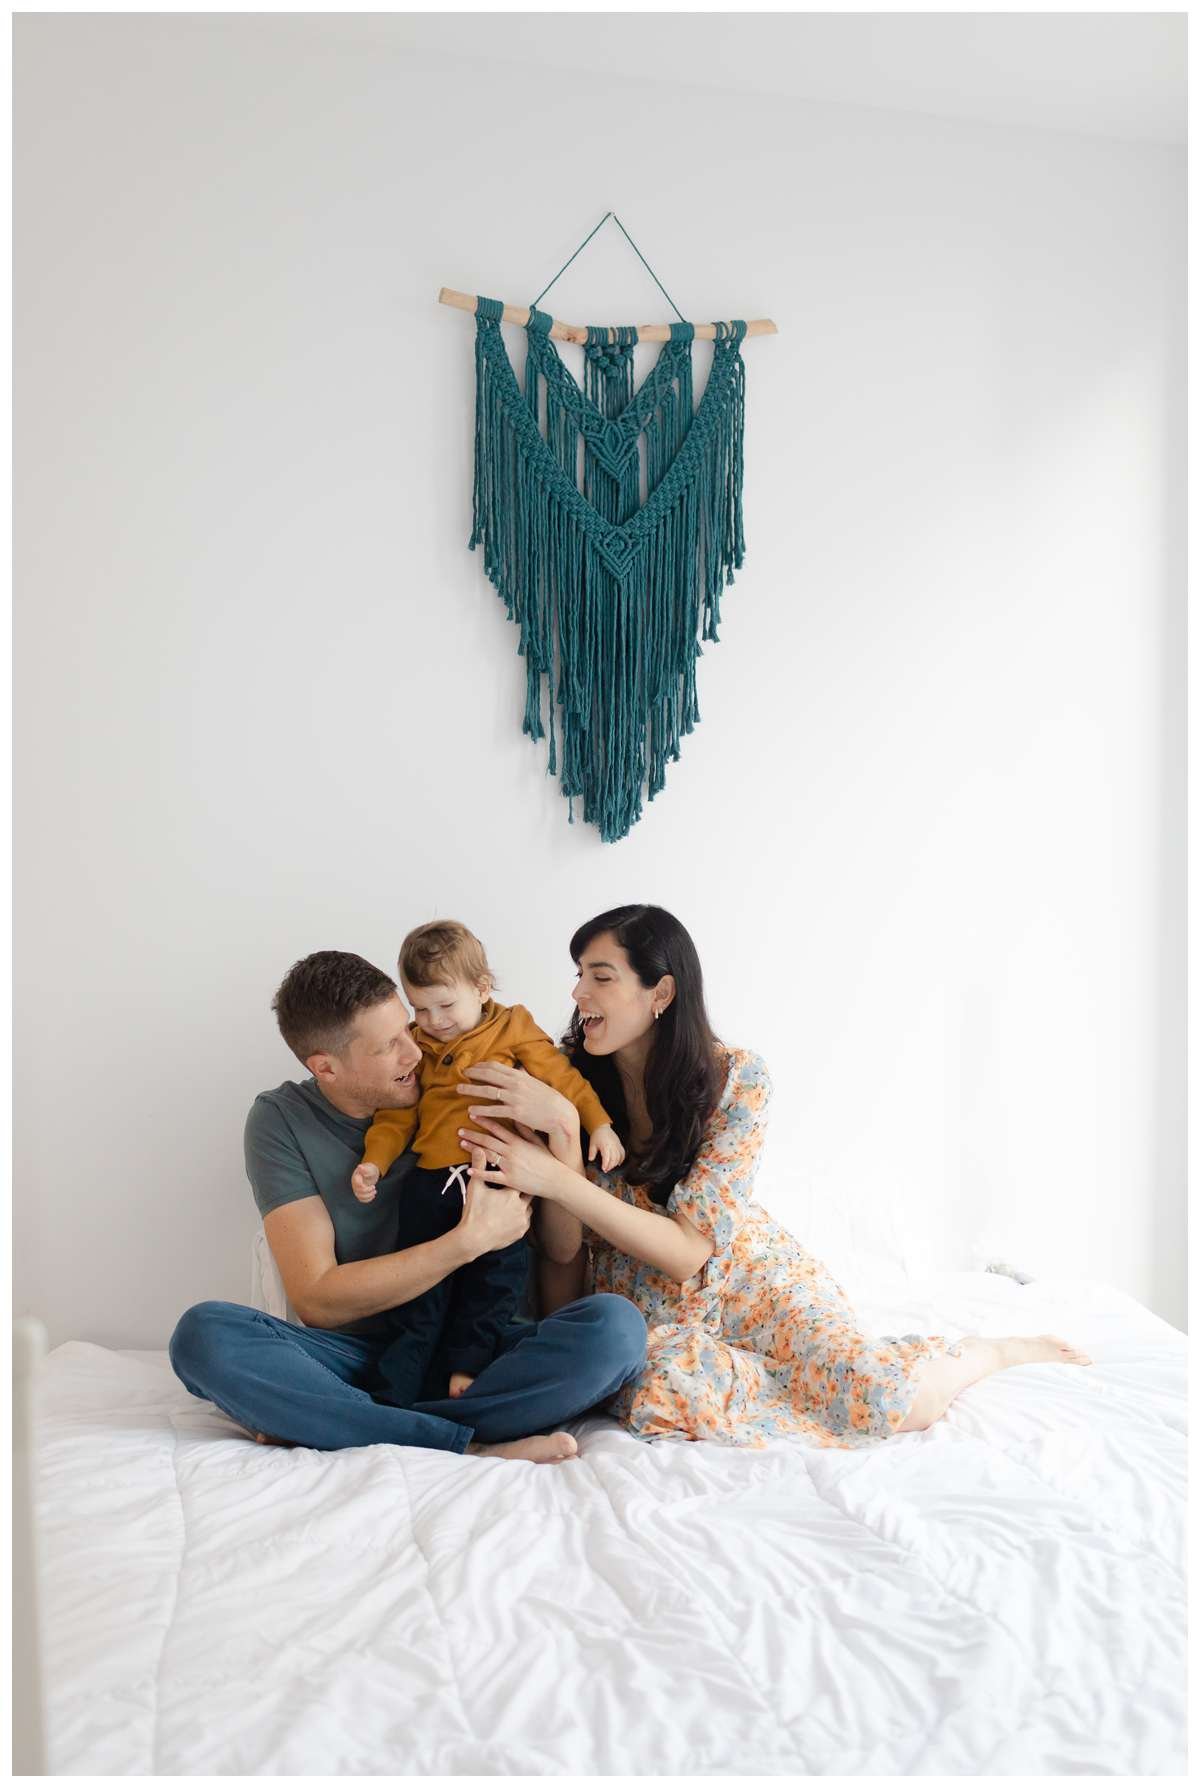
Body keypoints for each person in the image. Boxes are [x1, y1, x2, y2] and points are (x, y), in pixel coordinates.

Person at [456, 904, 1092, 1449]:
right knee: (664, 1391)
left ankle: (990, 1351)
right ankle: (797, 1380)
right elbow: (562, 1258)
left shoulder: (736, 1081)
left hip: (748, 1281)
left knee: (890, 1399)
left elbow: (690, 1255)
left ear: (662, 993)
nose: (576, 995)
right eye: (577, 977)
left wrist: (558, 1178)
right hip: (647, 1313)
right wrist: (565, 1138)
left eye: (600, 977)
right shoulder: (562, 1083)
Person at [168, 950, 646, 1464]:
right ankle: (471, 1442)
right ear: (325, 1067)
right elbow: (319, 1300)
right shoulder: (280, 1119)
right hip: (362, 1355)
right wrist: (467, 1242)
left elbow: (560, 1248)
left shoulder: (480, 1077)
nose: (417, 1050)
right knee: (203, 1336)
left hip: (480, 1349)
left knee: (616, 1329)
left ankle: (343, 1422)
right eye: (390, 1045)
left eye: (408, 1027)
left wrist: (566, 1130)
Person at [348, 919, 624, 1406]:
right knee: (423, 1295)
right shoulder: (420, 1043)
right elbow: (397, 1115)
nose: (433, 1020)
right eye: (420, 1008)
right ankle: (396, 1393)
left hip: (497, 1180)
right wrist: (375, 1162)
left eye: (445, 1005)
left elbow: (563, 1082)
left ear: (481, 987)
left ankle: (468, 1371)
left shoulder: (513, 1026)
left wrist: (597, 1124)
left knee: (495, 1283)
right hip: (431, 1185)